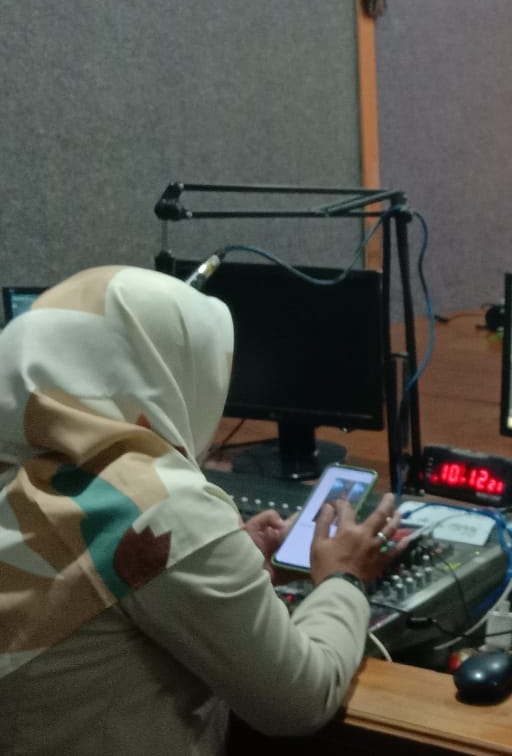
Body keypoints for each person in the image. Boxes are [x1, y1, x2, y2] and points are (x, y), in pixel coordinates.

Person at [0, 266, 409, 755]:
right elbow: (299, 701)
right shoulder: (160, 505)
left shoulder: (23, 475)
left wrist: (232, 556)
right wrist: (345, 577)